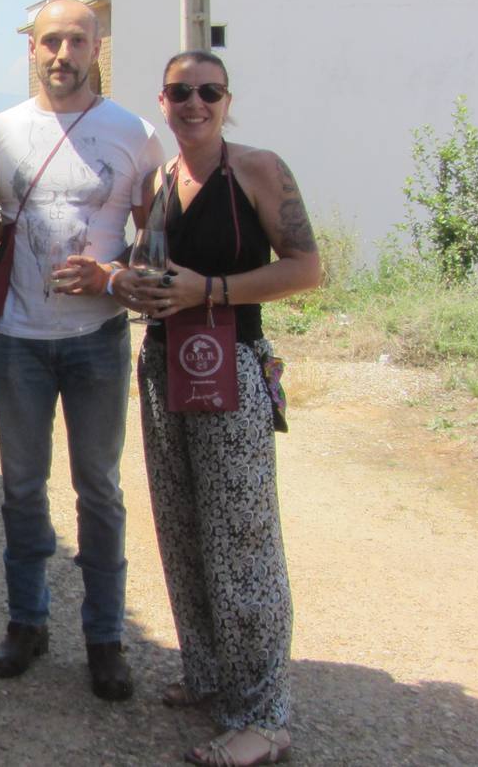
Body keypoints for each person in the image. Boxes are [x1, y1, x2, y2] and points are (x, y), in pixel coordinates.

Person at [125, 51, 320, 766]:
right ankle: (209, 675)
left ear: (226, 99)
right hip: (163, 365)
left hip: (231, 365)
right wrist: (120, 280)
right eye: (180, 92)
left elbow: (305, 268)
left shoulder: (257, 169)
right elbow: (151, 271)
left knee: (242, 541)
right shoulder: (159, 180)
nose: (194, 103)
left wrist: (208, 289)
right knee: (181, 527)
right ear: (164, 99)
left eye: (208, 92)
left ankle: (264, 717)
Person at [0, 0, 163, 699]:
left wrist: (112, 275)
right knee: (21, 490)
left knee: (101, 492)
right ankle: (26, 622)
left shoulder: (135, 135)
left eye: (76, 41)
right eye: (50, 41)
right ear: (32, 47)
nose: (63, 54)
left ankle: (104, 636)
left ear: (97, 47)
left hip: (97, 340)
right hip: (18, 340)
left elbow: (155, 248)